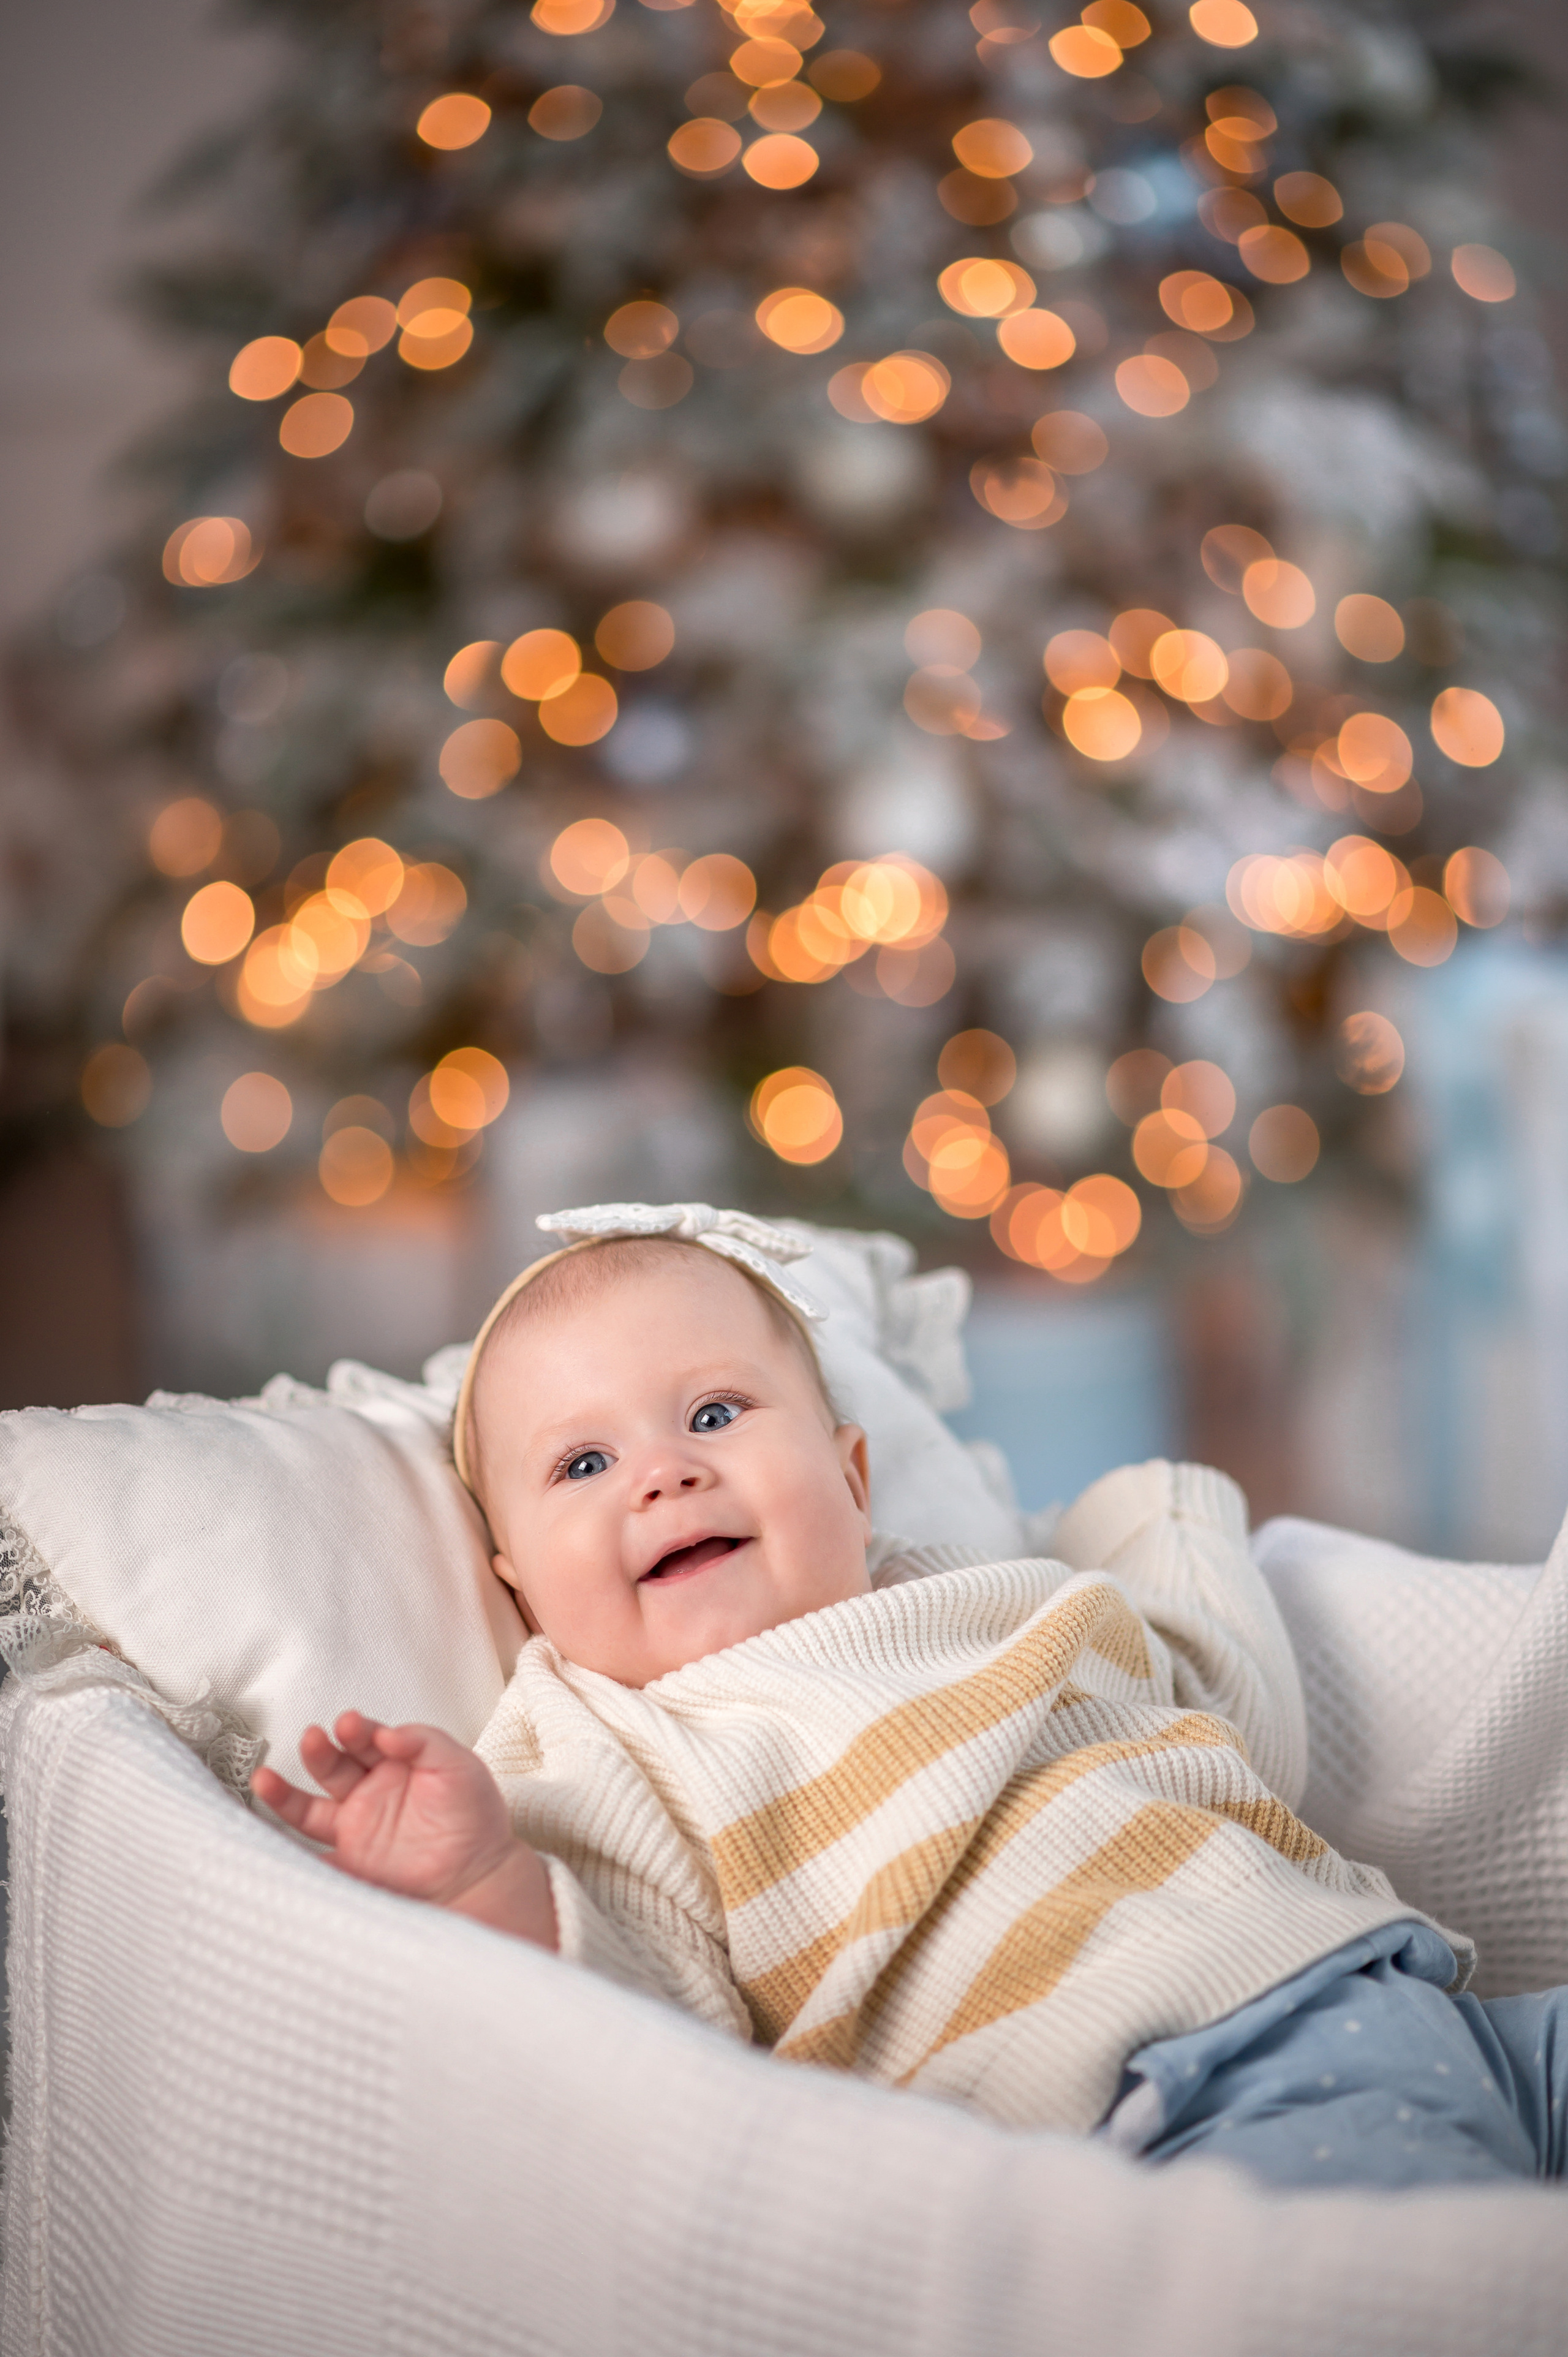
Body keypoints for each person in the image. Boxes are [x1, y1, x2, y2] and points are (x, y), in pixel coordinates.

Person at [252, 1208, 1567, 2189]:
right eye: (585, 1461)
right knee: (1442, 2276)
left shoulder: (979, 1593)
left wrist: (1157, 1514)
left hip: (1407, 1986)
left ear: (855, 1480)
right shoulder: (615, 1739)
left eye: (713, 1414)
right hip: (1178, 2093)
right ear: (520, 1590)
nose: (661, 1475)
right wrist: (487, 1872)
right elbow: (639, 2022)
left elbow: (1224, 1727)